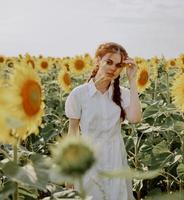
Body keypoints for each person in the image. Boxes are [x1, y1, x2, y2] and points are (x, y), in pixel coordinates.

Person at [64, 42, 142, 200]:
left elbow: (135, 118)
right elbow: (73, 133)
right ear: (98, 61)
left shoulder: (123, 94)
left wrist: (132, 80)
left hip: (115, 159)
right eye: (109, 62)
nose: (113, 68)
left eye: (119, 65)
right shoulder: (79, 94)